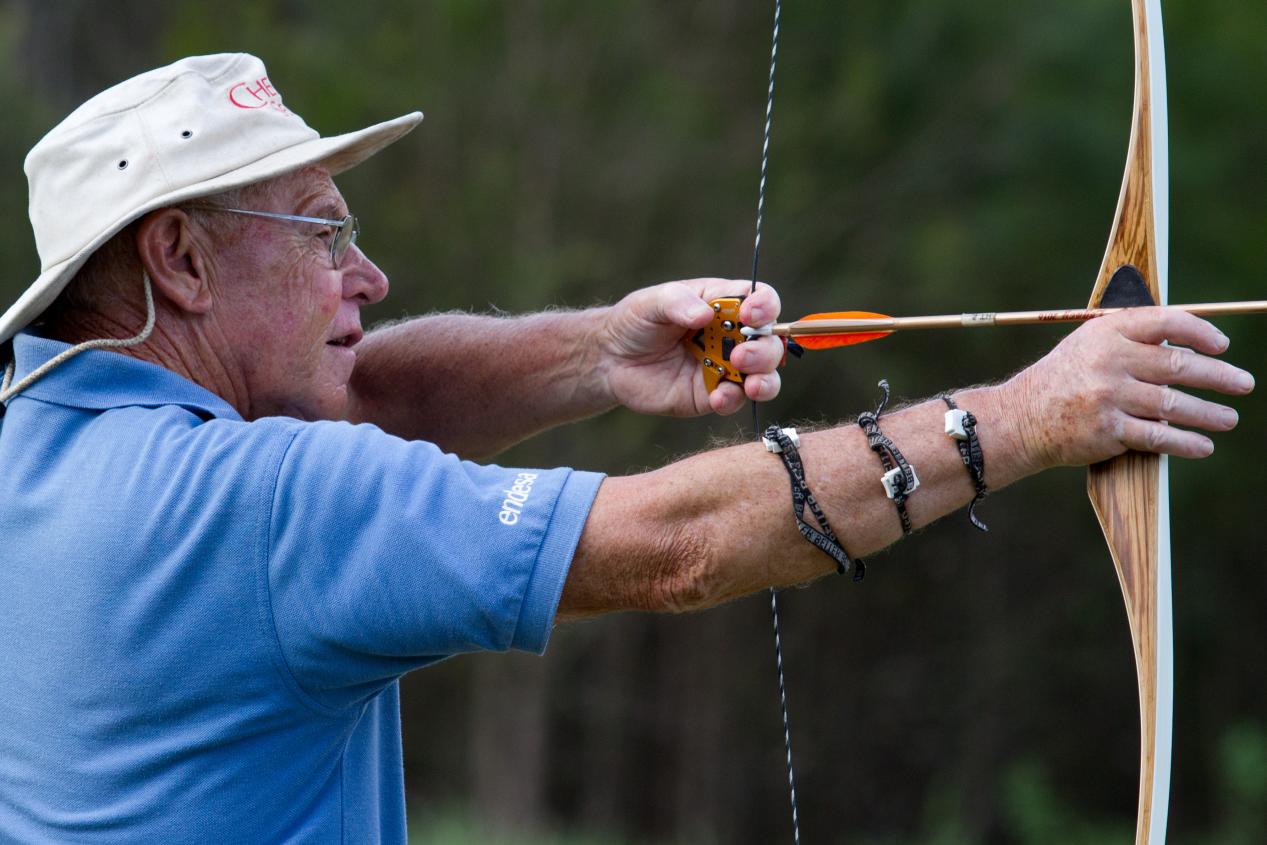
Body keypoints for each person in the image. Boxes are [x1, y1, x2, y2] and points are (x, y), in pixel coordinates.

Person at [0, 53, 1251, 843]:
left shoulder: (40, 440)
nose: (366, 274)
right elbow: (672, 544)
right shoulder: (254, 505)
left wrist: (599, 351)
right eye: (321, 234)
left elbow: (360, 397)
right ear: (178, 258)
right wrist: (1023, 419)